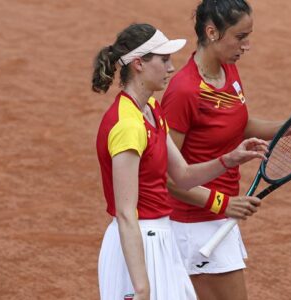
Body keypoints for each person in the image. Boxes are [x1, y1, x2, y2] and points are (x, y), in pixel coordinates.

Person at [92, 23, 268, 300]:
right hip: (138, 247)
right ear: (138, 64)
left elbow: (182, 175)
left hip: (161, 240)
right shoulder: (127, 125)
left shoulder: (150, 109)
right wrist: (141, 287)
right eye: (163, 60)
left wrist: (229, 159)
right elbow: (127, 214)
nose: (171, 68)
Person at [161, 1, 291, 299]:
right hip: (194, 222)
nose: (246, 45)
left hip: (217, 217)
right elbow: (167, 176)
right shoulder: (185, 91)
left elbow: (238, 122)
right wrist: (221, 204)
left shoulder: (228, 71)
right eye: (240, 37)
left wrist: (289, 126)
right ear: (212, 32)